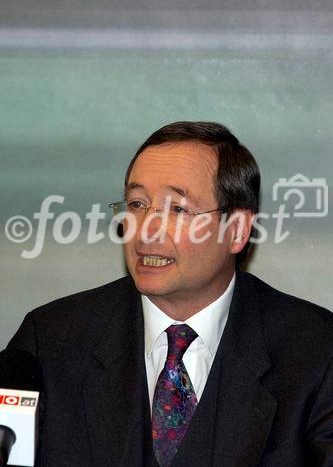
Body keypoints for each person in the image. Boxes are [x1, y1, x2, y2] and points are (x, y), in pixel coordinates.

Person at [1, 121, 333, 466]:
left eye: (177, 210)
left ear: (236, 230)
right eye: (137, 204)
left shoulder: (316, 352)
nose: (146, 229)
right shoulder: (50, 341)